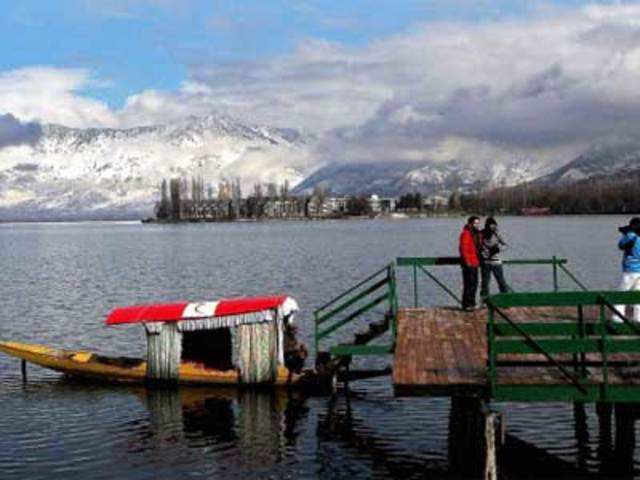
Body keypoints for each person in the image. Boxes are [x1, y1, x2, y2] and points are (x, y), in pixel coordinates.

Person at [612, 217, 640, 323]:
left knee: (621, 294)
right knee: (637, 295)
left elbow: (621, 245)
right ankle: (638, 318)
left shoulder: (630, 236)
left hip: (630, 271)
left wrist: (626, 233)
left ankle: (617, 318)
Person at [480, 217, 510, 300]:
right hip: (486, 262)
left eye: (494, 226)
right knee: (485, 283)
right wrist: (484, 252)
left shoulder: (497, 234)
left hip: (496, 262)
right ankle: (485, 301)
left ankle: (505, 300)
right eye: (491, 226)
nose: (492, 228)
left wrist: (498, 249)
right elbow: (478, 246)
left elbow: (506, 245)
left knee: (501, 282)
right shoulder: (482, 234)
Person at [459, 216, 482, 311]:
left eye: (478, 223)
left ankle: (472, 303)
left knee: (475, 283)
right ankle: (466, 304)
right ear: (470, 223)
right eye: (475, 223)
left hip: (475, 262)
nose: (477, 225)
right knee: (468, 284)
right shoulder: (466, 233)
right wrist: (467, 261)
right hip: (468, 263)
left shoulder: (477, 234)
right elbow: (463, 249)